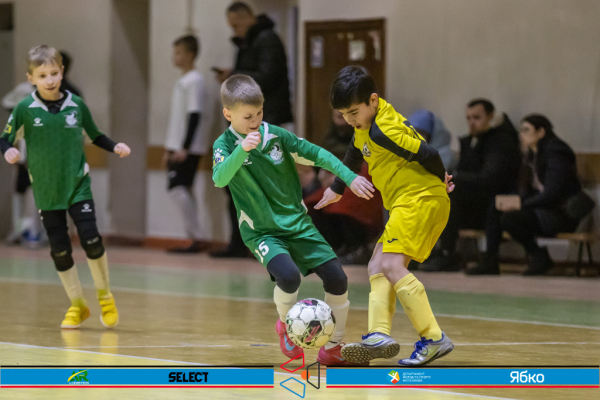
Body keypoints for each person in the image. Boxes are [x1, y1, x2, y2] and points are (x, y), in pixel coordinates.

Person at [212, 74, 374, 366]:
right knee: (288, 277)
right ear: (228, 114)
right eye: (248, 117)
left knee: (338, 279)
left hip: (298, 225)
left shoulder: (277, 136)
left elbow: (318, 155)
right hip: (262, 232)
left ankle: (334, 346)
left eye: (259, 113)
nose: (255, 121)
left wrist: (349, 177)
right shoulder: (223, 145)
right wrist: (241, 150)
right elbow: (220, 178)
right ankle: (285, 325)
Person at [317, 66, 455, 366]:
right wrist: (337, 189)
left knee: (391, 265)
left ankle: (433, 338)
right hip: (410, 200)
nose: (349, 120)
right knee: (377, 265)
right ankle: (379, 334)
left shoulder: (384, 131)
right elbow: (354, 153)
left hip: (419, 199)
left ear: (373, 100)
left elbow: (429, 153)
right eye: (343, 114)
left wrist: (441, 179)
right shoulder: (366, 124)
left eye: (353, 112)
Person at [0, 45, 131, 329]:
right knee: (59, 249)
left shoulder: (76, 104)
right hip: (46, 190)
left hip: (77, 185)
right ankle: (77, 305)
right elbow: (4, 138)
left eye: (53, 73)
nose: (49, 80)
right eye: (42, 75)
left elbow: (95, 135)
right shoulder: (24, 108)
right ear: (31, 78)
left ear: (62, 73)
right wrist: (8, 150)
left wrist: (114, 146)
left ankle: (105, 296)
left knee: (91, 239)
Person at [212, 2, 294, 258]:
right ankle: (240, 243)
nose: (234, 31)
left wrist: (234, 75)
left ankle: (267, 243)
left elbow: (267, 77)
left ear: (248, 18)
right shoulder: (248, 43)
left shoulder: (267, 39)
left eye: (237, 25)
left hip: (264, 122)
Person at [424, 99, 521, 272]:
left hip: (494, 203)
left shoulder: (501, 141)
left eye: (477, 117)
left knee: (449, 191)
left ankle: (448, 252)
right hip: (476, 201)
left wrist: (456, 178)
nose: (471, 122)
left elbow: (491, 179)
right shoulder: (472, 141)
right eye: (468, 118)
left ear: (490, 117)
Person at [488, 114, 587, 276]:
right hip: (542, 210)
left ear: (541, 132)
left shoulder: (556, 151)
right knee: (497, 205)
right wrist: (512, 200)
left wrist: (520, 204)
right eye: (521, 130)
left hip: (561, 214)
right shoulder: (532, 154)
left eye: (526, 130)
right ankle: (489, 260)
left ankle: (538, 256)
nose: (522, 134)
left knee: (510, 218)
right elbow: (527, 191)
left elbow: (553, 193)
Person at [304, 110, 384, 264]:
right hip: (336, 183)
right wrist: (320, 173)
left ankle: (357, 248)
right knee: (314, 203)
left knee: (342, 203)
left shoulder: (370, 134)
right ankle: (334, 247)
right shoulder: (331, 137)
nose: (339, 112)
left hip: (362, 183)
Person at [163, 35, 211, 253]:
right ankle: (192, 235)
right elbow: (177, 119)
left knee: (176, 188)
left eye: (179, 52)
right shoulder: (183, 81)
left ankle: (196, 236)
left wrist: (184, 146)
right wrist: (169, 147)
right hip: (177, 145)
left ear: (191, 55)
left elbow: (194, 114)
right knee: (185, 189)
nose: (175, 57)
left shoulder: (195, 81)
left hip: (187, 146)